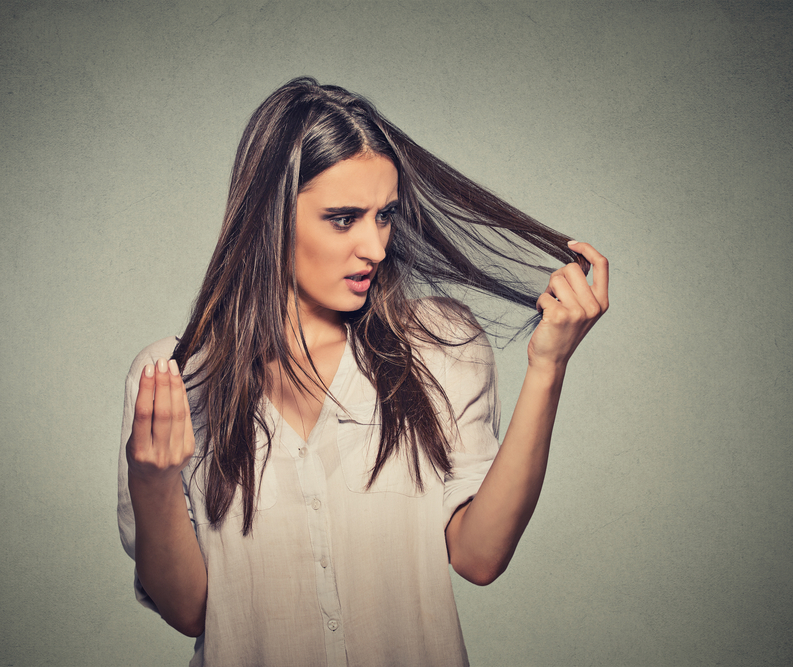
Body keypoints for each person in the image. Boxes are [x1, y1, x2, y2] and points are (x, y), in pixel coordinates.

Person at [118, 77, 608, 667]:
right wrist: (151, 482)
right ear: (269, 218)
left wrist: (547, 367)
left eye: (385, 216)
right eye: (344, 219)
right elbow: (191, 610)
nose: (376, 246)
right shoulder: (174, 378)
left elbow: (480, 557)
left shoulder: (441, 347)